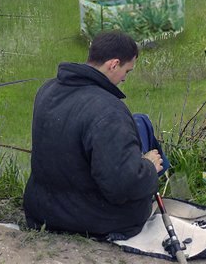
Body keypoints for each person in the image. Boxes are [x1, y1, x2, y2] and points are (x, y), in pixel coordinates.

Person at [23, 30, 163, 239]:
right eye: (127, 71)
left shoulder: (47, 89)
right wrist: (149, 168)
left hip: (41, 211)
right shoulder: (109, 111)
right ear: (113, 64)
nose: (125, 79)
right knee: (146, 143)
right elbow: (121, 187)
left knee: (139, 122)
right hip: (91, 219)